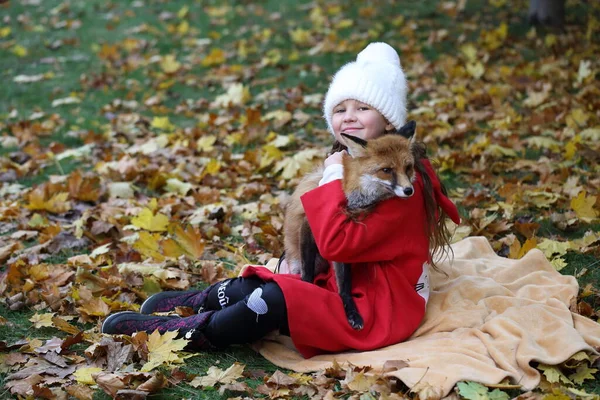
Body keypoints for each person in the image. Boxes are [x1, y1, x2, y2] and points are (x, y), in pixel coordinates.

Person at [101, 42, 461, 359]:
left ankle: (194, 332)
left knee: (273, 301)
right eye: (340, 109)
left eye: (363, 108)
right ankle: (205, 301)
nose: (349, 116)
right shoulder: (357, 160)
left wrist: (333, 176)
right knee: (268, 283)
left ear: (389, 121)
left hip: (379, 307)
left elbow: (338, 243)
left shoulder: (402, 188)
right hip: (345, 281)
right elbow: (313, 228)